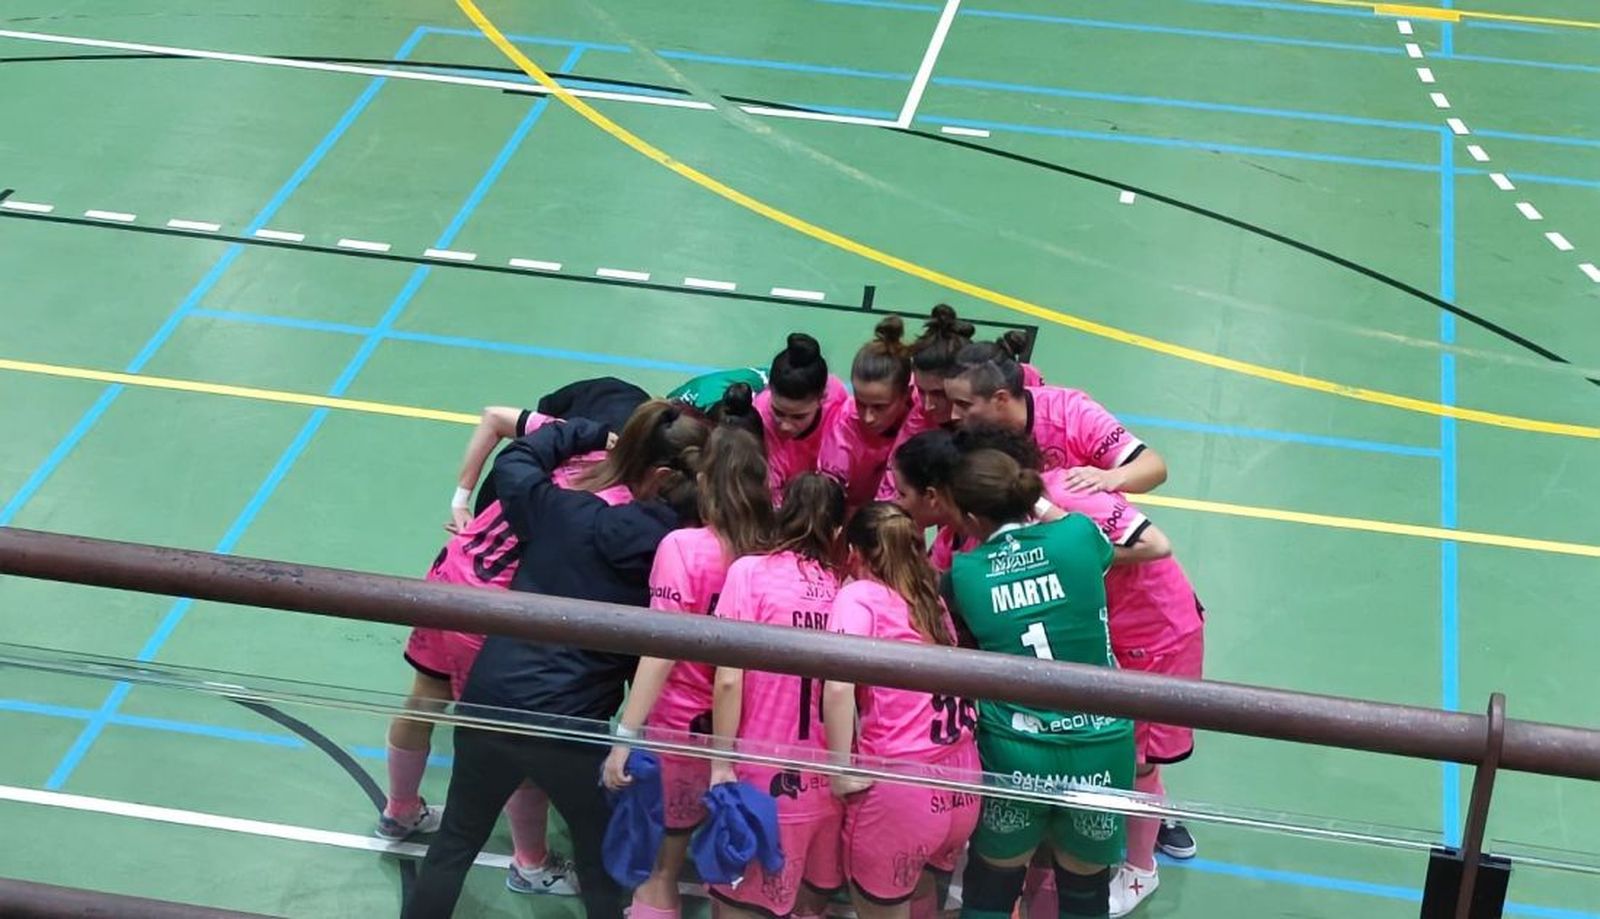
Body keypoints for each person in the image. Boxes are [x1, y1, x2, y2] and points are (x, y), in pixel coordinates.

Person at [402, 402, 711, 919]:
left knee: (454, 843)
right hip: (570, 728)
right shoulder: (673, 547)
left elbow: (515, 462)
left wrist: (583, 432)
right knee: (597, 860)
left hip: (491, 701)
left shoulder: (562, 511)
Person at [941, 448, 1136, 919]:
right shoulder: (1077, 534)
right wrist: (1039, 504)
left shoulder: (965, 574)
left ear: (969, 516)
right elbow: (1078, 534)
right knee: (1085, 893)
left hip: (1015, 747)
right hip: (1100, 743)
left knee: (991, 887)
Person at [600, 423, 776, 919]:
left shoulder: (683, 547)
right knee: (738, 868)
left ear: (704, 481)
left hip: (682, 730)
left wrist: (625, 738)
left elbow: (661, 651)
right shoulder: (773, 550)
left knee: (661, 871)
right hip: (750, 729)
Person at [824, 502, 980, 919]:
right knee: (922, 894)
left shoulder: (860, 595)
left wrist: (839, 770)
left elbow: (837, 686)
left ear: (854, 551)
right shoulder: (930, 597)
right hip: (963, 781)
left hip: (902, 787)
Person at [706, 474, 849, 919]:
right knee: (809, 903)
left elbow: (729, 679)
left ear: (781, 513)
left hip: (760, 777)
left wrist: (720, 763)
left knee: (737, 905)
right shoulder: (845, 590)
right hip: (825, 787)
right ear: (838, 532)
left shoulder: (749, 572)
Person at [943, 344, 1166, 495]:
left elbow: (1153, 467)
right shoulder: (971, 430)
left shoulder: (1073, 414)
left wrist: (1110, 478)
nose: (953, 415)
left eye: (964, 405)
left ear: (1000, 398)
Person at [820, 317, 917, 508]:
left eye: (880, 407)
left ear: (906, 394)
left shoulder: (923, 411)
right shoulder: (842, 433)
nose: (868, 417)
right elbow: (828, 505)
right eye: (861, 403)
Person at [755, 333, 850, 499]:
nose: (785, 425)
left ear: (823, 398)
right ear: (770, 389)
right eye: (778, 412)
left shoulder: (837, 399)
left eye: (798, 417)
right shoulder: (760, 415)